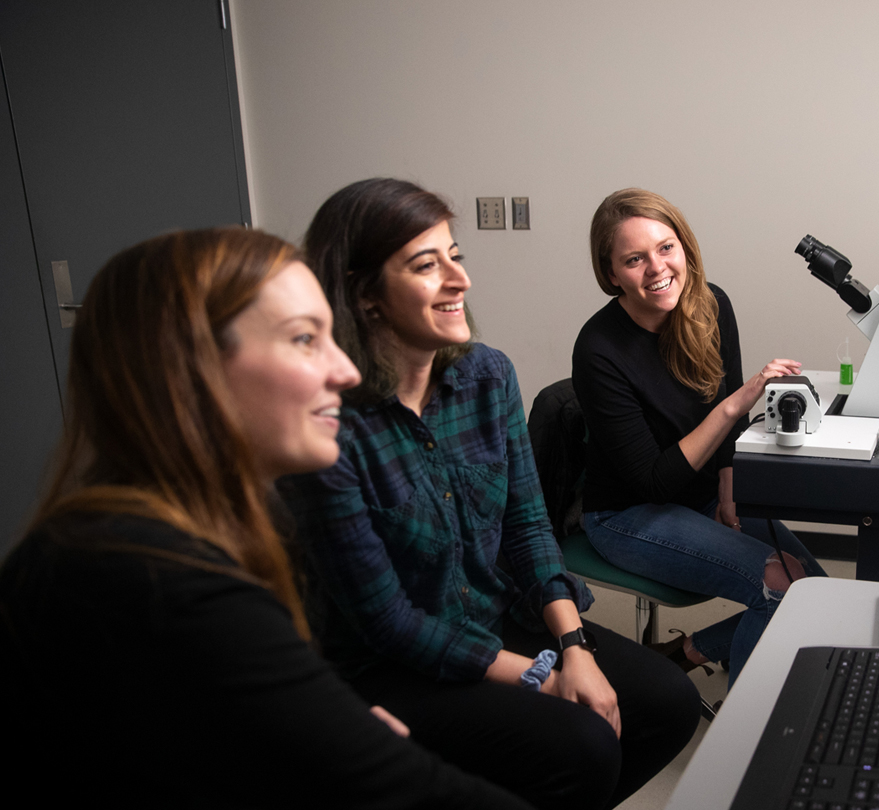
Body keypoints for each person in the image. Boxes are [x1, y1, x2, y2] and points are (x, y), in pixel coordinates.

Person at [0, 228, 532, 808]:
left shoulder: (124, 534)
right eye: (305, 339)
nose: (345, 371)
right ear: (190, 369)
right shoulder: (161, 580)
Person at [278, 178, 699, 810]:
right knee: (582, 745)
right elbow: (388, 622)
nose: (459, 280)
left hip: (497, 618)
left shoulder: (487, 375)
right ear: (363, 297)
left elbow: (529, 526)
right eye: (427, 265)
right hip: (392, 664)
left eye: (456, 256)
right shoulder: (329, 423)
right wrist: (540, 677)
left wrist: (573, 647)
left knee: (669, 703)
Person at [572, 188, 827, 686]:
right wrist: (742, 398)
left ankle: (688, 651)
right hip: (626, 514)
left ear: (684, 247)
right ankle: (748, 742)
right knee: (779, 584)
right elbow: (652, 482)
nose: (656, 268)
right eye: (634, 259)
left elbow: (724, 431)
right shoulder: (599, 348)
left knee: (815, 588)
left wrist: (729, 487)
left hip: (701, 492)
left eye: (666, 248)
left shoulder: (710, 305)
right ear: (610, 275)